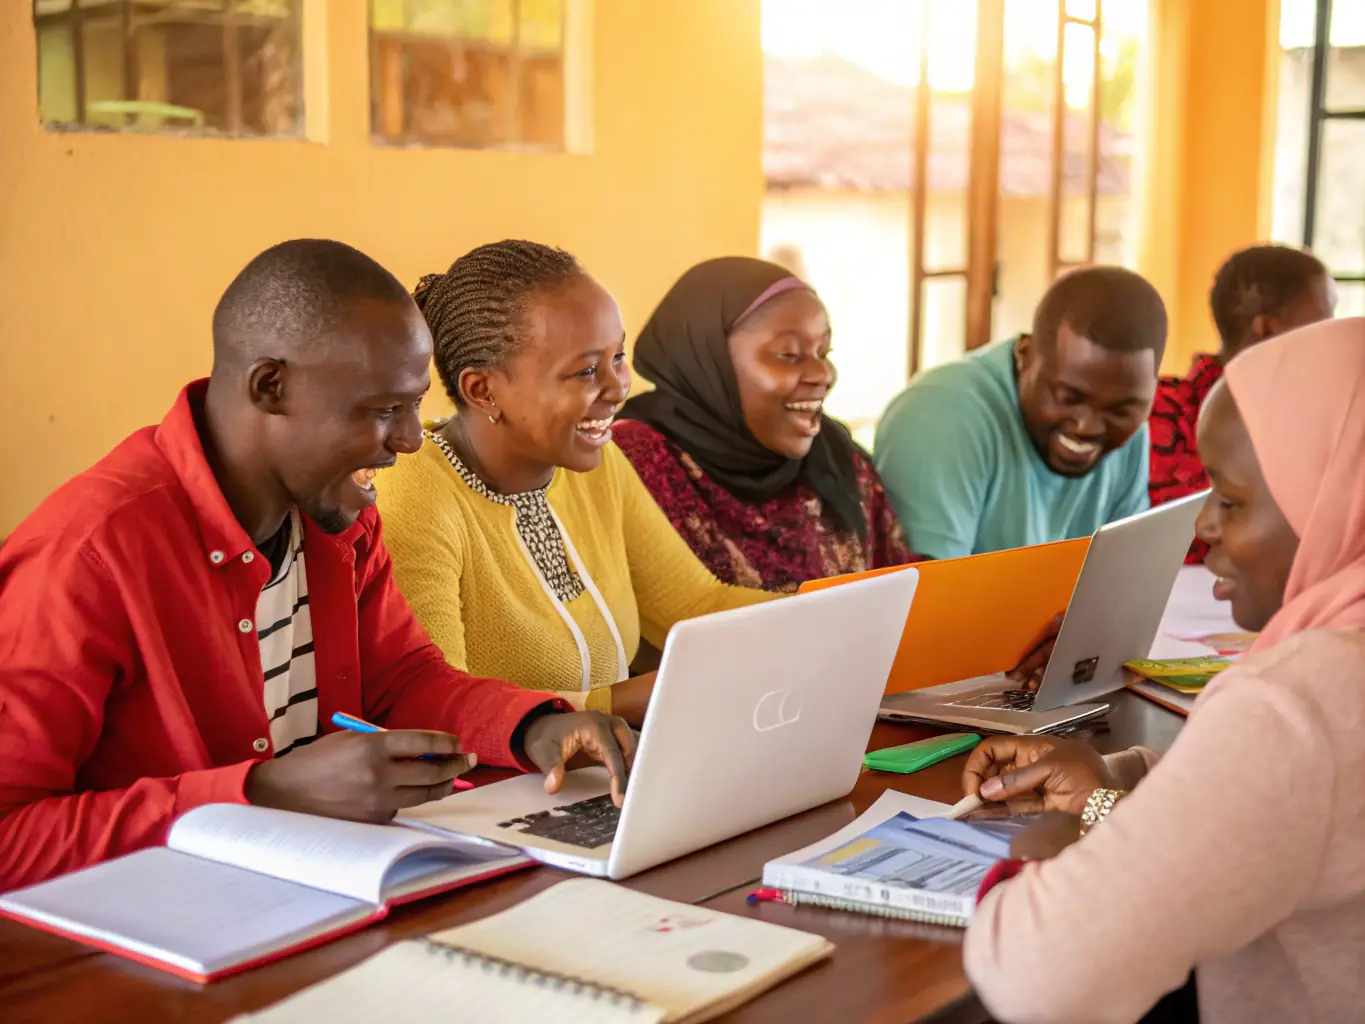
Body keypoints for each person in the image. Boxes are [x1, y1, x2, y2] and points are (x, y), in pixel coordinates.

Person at [0, 240, 635, 891]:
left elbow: (402, 678)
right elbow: (9, 836)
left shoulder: (335, 512)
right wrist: (259, 792)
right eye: (383, 411)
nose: (412, 440)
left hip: (318, 890)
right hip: (145, 927)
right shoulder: (90, 554)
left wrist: (534, 725)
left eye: (414, 404)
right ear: (271, 387)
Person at [958, 317, 1365, 1023]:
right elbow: (1300, 822)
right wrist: (1121, 781)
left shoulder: (1299, 702)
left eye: (1230, 501)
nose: (1202, 523)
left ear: (1335, 502)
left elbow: (1036, 979)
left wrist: (1058, 845)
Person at [375, 241, 771, 728]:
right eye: (585, 371)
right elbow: (438, 703)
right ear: (483, 390)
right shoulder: (414, 493)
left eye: (618, 358)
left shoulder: (595, 461)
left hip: (599, 773)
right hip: (487, 792)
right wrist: (627, 701)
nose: (618, 387)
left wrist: (830, 614)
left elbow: (697, 604)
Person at [612, 257, 918, 593]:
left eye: (824, 351)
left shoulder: (836, 458)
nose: (823, 375)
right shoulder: (635, 459)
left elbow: (902, 589)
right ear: (708, 357)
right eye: (788, 354)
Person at [873, 266, 1165, 560]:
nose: (1087, 426)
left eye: (1120, 410)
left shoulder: (1133, 430)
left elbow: (1124, 573)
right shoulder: (938, 416)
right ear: (1024, 354)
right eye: (1067, 397)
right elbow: (925, 596)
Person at [1149, 244, 1334, 564]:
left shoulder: (1323, 417)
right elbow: (1177, 539)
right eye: (1323, 320)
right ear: (1267, 331)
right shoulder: (1164, 414)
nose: (1333, 335)